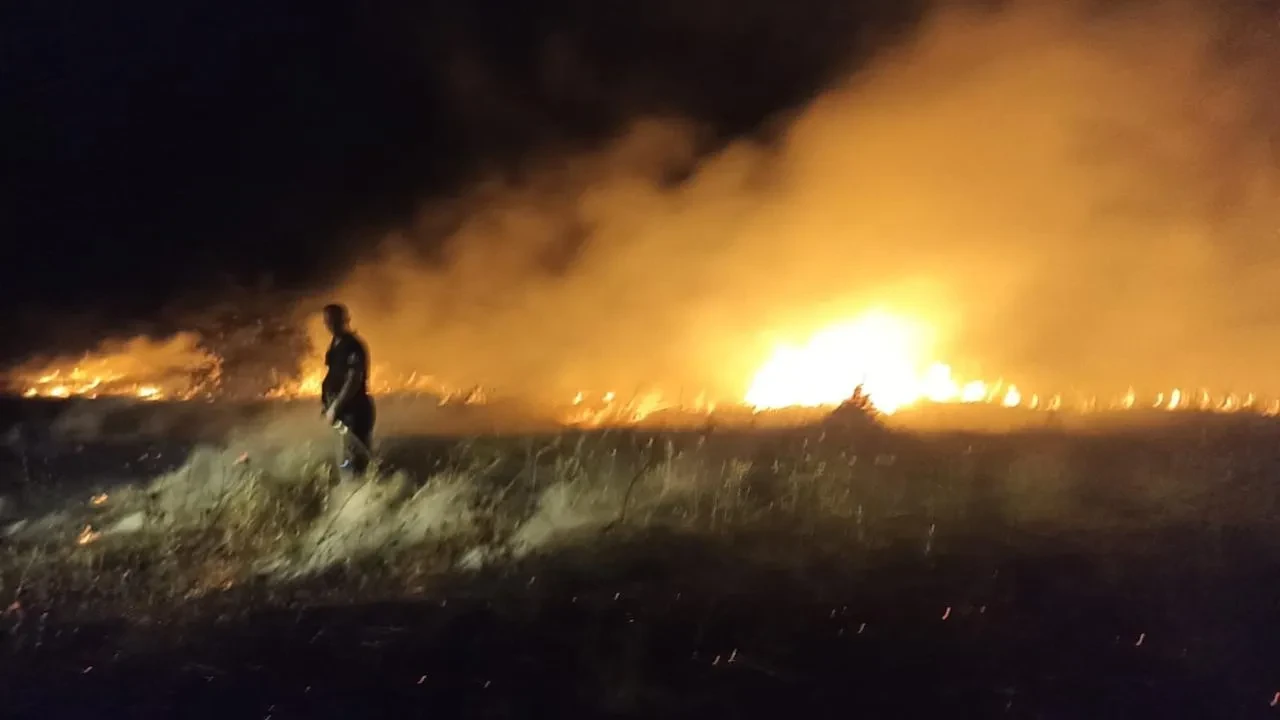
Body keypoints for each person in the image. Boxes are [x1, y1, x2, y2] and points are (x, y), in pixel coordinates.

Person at [321, 303, 375, 474]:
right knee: (346, 460)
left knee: (354, 462)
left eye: (334, 321)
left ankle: (363, 493)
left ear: (345, 320)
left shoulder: (352, 346)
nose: (330, 325)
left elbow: (354, 380)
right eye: (328, 321)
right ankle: (352, 490)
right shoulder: (336, 344)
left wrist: (335, 406)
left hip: (354, 412)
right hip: (342, 412)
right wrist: (328, 405)